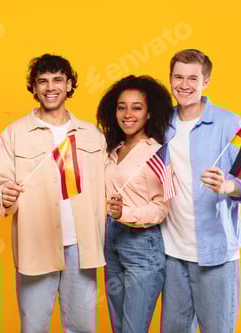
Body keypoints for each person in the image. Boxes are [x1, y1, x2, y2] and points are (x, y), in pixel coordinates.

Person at [0, 54, 106, 332]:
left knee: (82, 327)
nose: (50, 87)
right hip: (36, 246)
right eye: (42, 81)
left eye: (58, 80)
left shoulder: (92, 134)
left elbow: (110, 184)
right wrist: (5, 196)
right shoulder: (14, 134)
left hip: (82, 247)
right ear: (33, 88)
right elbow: (0, 187)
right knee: (33, 326)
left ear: (69, 85)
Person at [160, 49, 241, 333]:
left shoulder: (230, 124)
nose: (184, 85)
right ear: (169, 78)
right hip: (172, 253)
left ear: (205, 81)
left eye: (192, 78)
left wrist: (228, 186)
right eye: (178, 77)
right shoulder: (161, 125)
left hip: (216, 255)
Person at [97, 75, 174, 332]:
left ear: (149, 113)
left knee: (133, 328)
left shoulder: (156, 153)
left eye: (136, 107)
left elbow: (161, 208)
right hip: (111, 242)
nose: (128, 114)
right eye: (122, 107)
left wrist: (124, 213)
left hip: (143, 246)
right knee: (118, 326)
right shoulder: (112, 148)